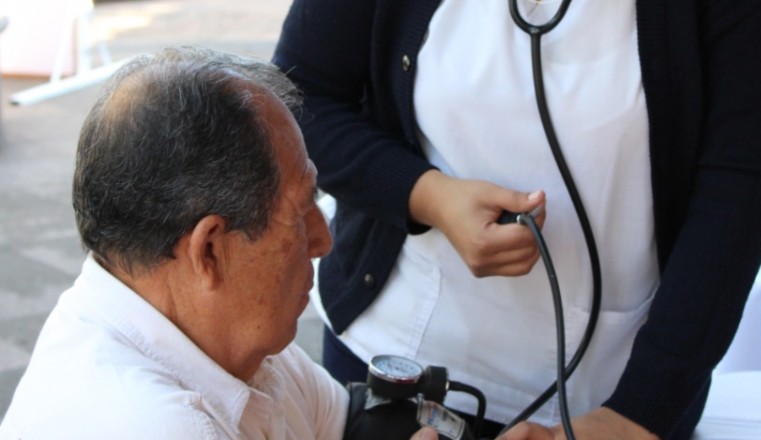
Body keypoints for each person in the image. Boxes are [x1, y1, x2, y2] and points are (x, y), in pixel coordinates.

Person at [272, 0, 761, 438]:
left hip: (612, 392)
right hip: (396, 357)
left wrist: (636, 416)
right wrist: (428, 196)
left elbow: (737, 192)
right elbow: (296, 100)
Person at [0, 46, 440, 440]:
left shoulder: (227, 335)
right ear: (209, 250)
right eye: (300, 213)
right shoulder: (153, 423)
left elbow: (345, 424)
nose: (323, 240)